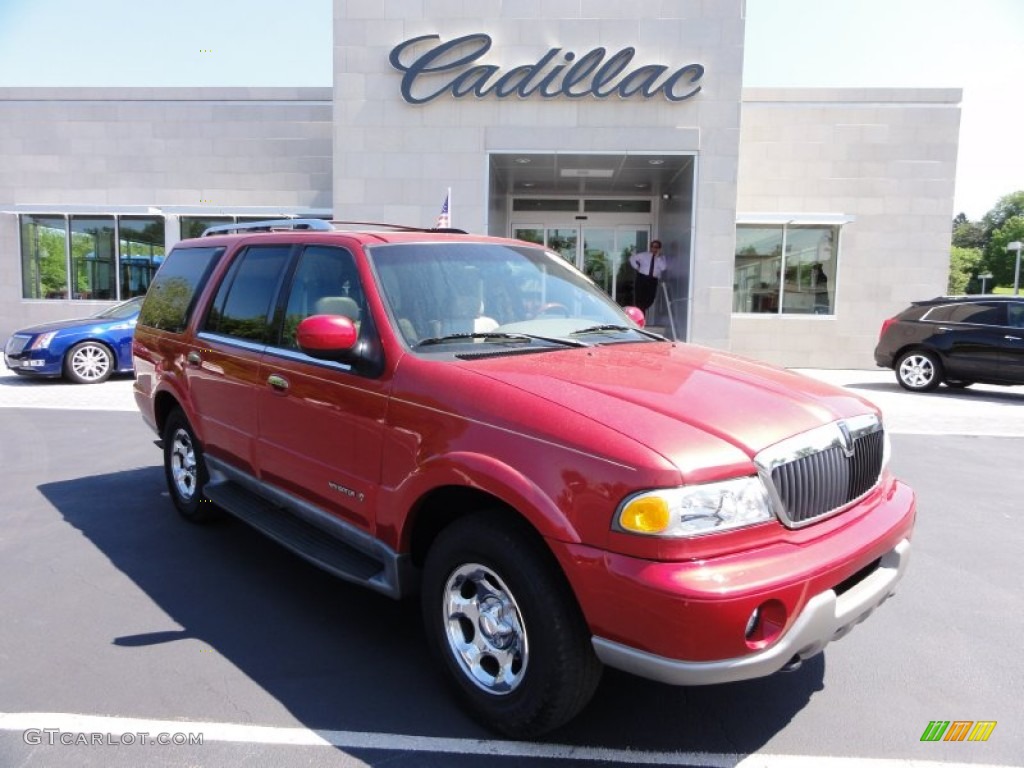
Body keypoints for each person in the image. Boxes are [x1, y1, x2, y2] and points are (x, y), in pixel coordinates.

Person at [629, 239, 667, 314]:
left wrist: (658, 257)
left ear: (659, 248)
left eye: (656, 247)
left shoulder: (662, 258)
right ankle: (640, 316)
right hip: (642, 278)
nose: (654, 248)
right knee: (639, 298)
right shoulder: (644, 255)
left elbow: (663, 268)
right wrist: (637, 267)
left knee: (650, 299)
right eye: (652, 247)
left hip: (652, 280)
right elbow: (632, 258)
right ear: (650, 247)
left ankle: (641, 311)